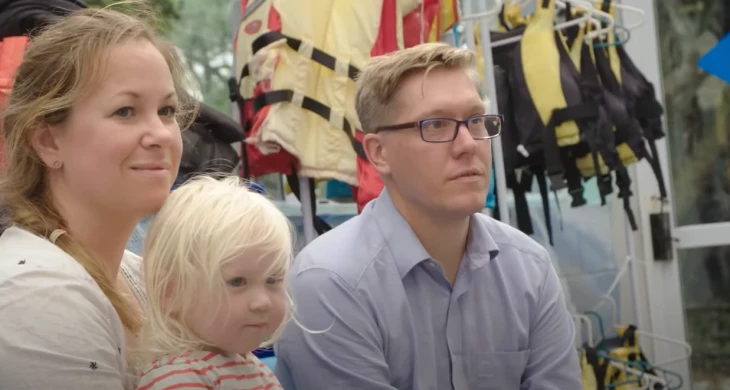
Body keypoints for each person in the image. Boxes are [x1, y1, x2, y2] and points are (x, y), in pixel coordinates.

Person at [274, 42, 582, 389]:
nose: (468, 144)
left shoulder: (529, 268)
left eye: (477, 120)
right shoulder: (330, 282)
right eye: (435, 125)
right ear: (379, 153)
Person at [0, 4, 196, 390]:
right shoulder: (40, 294)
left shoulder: (138, 274)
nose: (159, 134)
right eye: (125, 111)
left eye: (167, 110)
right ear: (47, 141)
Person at [133, 176, 290, 389]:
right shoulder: (178, 378)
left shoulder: (249, 366)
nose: (262, 302)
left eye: (272, 279)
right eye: (237, 282)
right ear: (171, 292)